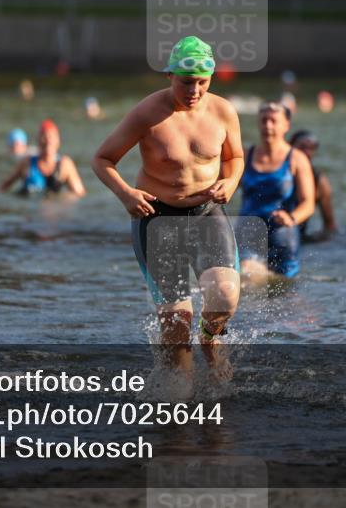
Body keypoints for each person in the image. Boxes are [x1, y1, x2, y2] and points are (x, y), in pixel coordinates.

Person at [92, 36, 244, 380]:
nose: (194, 90)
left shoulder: (222, 111)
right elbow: (102, 159)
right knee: (177, 325)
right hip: (157, 218)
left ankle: (211, 339)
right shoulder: (147, 113)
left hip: (206, 214)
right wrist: (126, 194)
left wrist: (232, 182)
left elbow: (235, 157)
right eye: (186, 82)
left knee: (225, 296)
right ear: (170, 76)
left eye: (202, 82)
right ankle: (179, 403)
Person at [238, 101, 315, 290]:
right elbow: (226, 185)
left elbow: (308, 203)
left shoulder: (297, 158)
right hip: (249, 229)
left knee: (285, 286)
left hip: (283, 231)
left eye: (273, 121)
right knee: (246, 275)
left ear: (286, 125)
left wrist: (292, 217)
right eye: (263, 120)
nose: (268, 126)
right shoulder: (245, 155)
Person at [0, 119, 85, 197]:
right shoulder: (27, 162)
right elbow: (3, 188)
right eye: (44, 137)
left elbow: (79, 194)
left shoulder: (65, 164)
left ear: (58, 141)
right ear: (38, 140)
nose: (48, 141)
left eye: (51, 137)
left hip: (56, 210)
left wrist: (64, 199)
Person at [289, 130, 338, 243]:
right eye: (302, 147)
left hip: (299, 237)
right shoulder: (277, 173)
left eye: (312, 148)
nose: (307, 152)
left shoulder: (319, 181)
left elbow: (330, 225)